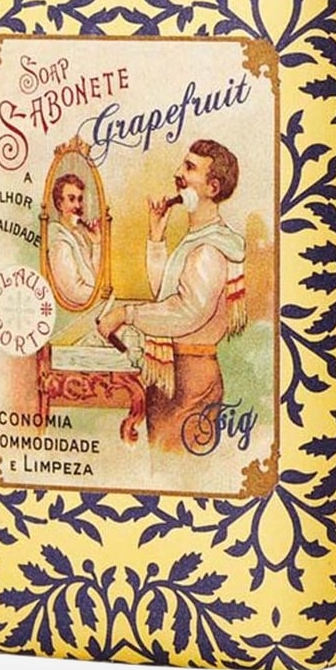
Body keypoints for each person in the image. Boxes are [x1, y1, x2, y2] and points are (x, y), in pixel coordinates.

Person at [97, 139, 247, 454]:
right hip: (176, 374)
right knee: (164, 462)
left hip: (191, 378)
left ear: (213, 187)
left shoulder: (209, 248)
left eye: (189, 168)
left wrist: (126, 314)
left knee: (179, 468)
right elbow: (165, 295)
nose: (178, 174)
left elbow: (184, 312)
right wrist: (156, 236)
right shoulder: (197, 240)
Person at [47, 173, 101, 308]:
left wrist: (96, 243)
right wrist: (102, 294)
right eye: (71, 199)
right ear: (59, 204)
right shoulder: (59, 242)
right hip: (82, 310)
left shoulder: (77, 237)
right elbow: (74, 291)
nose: (77, 205)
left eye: (80, 199)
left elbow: (96, 276)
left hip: (94, 304)